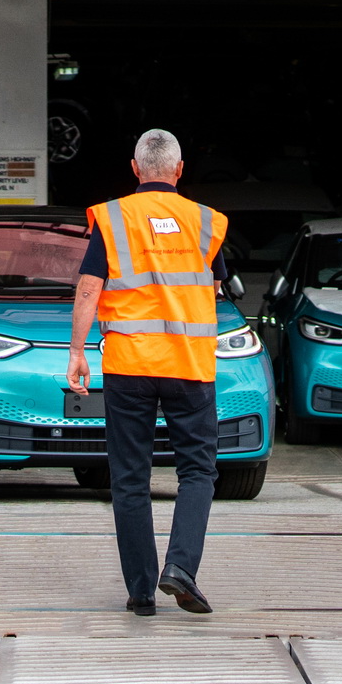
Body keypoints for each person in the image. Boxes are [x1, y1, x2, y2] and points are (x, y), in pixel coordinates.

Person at [67, 129, 231, 616]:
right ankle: (180, 567)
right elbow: (217, 287)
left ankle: (141, 592)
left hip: (129, 365)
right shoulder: (205, 222)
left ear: (135, 169)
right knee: (198, 471)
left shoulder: (114, 218)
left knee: (130, 478)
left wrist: (77, 351)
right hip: (189, 365)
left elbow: (88, 288)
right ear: (179, 170)